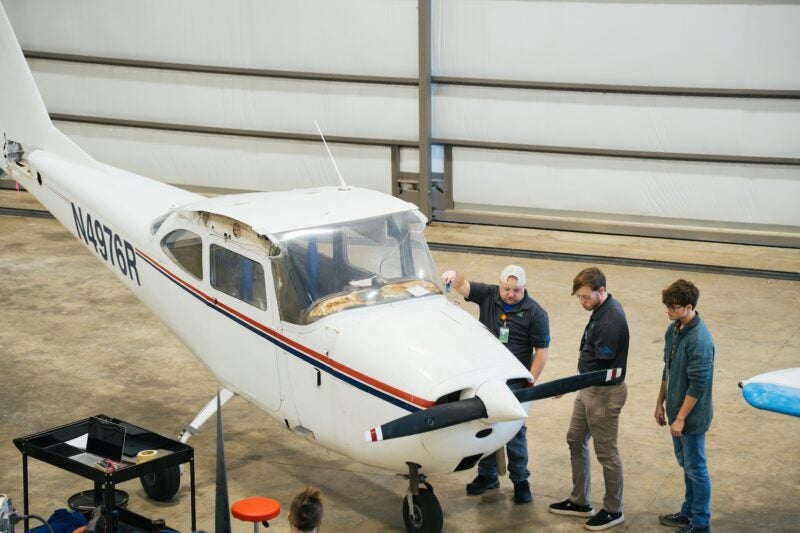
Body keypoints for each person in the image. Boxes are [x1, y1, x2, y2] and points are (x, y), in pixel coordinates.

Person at [440, 264, 550, 504]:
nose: (511, 294)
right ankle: (487, 476)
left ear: (525, 289)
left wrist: (531, 381)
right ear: (500, 285)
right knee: (484, 426)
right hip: (485, 379)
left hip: (515, 383)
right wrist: (453, 274)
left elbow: (541, 351)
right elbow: (462, 284)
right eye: (507, 289)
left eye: (516, 290)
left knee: (514, 433)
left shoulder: (535, 313)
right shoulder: (489, 295)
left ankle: (521, 480)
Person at [549, 267, 628, 531]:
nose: (582, 302)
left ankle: (613, 509)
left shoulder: (610, 322)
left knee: (607, 453)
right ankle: (580, 501)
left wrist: (569, 385)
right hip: (588, 390)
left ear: (601, 291)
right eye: (579, 298)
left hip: (603, 393)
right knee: (575, 438)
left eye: (586, 297)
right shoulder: (600, 311)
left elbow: (600, 371)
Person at [654, 280, 714, 533]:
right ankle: (688, 512)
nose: (668, 311)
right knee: (686, 465)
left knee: (696, 468)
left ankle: (700, 524)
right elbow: (667, 368)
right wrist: (660, 402)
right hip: (675, 411)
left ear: (689, 307)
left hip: (691, 417)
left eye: (673, 307)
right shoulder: (674, 329)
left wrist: (680, 418)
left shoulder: (699, 340)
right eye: (667, 306)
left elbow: (698, 385)